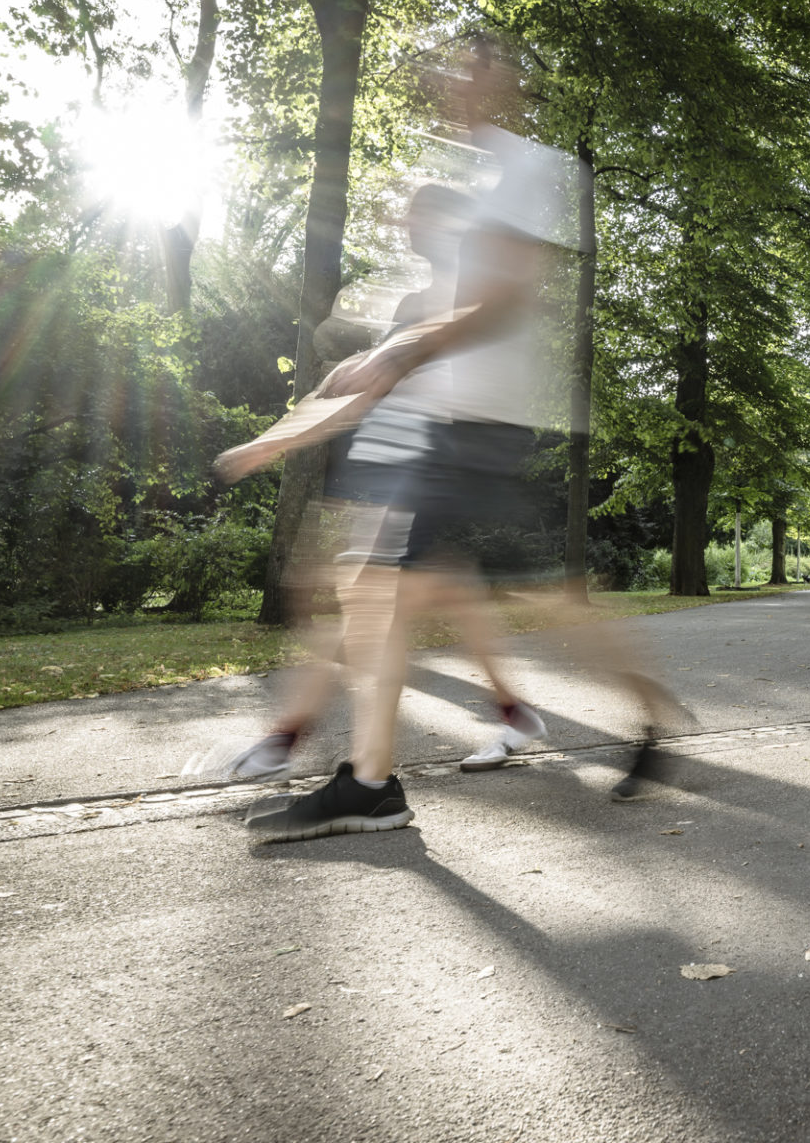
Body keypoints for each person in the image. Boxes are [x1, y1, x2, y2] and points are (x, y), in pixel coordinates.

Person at [201, 185, 549, 784]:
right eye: (408, 215)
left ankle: (292, 740)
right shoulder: (419, 303)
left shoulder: (478, 305)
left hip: (439, 461)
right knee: (444, 588)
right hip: (400, 460)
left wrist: (276, 442)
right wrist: (275, 440)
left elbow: (423, 386)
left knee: (362, 588)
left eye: (424, 216)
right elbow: (368, 390)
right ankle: (515, 713)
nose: (408, 225)